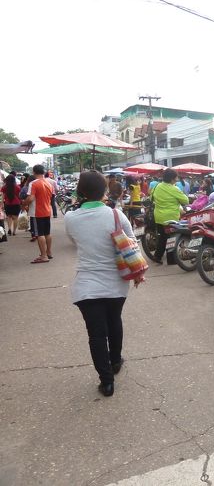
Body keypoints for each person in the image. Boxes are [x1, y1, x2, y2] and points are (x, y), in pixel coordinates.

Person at [64, 170, 142, 397]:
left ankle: (107, 382)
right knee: (114, 319)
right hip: (117, 283)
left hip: (86, 286)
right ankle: (116, 361)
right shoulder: (116, 215)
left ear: (80, 191)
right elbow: (133, 242)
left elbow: (74, 241)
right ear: (105, 190)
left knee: (96, 334)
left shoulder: (70, 218)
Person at [150, 169, 189, 264]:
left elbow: (151, 198)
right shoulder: (174, 189)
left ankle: (157, 256)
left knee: (162, 237)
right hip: (171, 218)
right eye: (176, 177)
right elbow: (186, 201)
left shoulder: (157, 186)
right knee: (172, 238)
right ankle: (171, 260)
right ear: (172, 179)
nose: (177, 179)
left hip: (159, 216)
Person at [24, 165, 54, 263]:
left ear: (34, 172)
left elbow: (31, 198)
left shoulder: (33, 183)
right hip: (47, 211)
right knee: (47, 233)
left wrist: (24, 203)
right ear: (43, 172)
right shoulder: (49, 183)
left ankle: (43, 256)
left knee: (39, 234)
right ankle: (49, 252)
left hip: (37, 213)